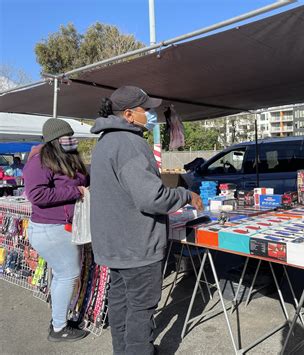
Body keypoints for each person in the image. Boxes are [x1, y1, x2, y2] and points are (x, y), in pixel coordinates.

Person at [90, 86, 203, 355]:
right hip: (136, 248)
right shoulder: (129, 144)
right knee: (140, 310)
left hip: (114, 246)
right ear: (129, 114)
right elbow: (152, 198)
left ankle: (124, 350)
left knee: (120, 305)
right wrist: (185, 194)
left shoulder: (105, 142)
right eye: (146, 110)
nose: (151, 114)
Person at [23, 118, 89, 342]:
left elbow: (81, 180)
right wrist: (76, 191)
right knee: (67, 275)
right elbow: (37, 195)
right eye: (67, 137)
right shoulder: (39, 162)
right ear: (54, 140)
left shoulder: (67, 159)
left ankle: (60, 319)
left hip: (63, 227)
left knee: (64, 276)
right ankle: (59, 328)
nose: (72, 140)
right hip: (51, 229)